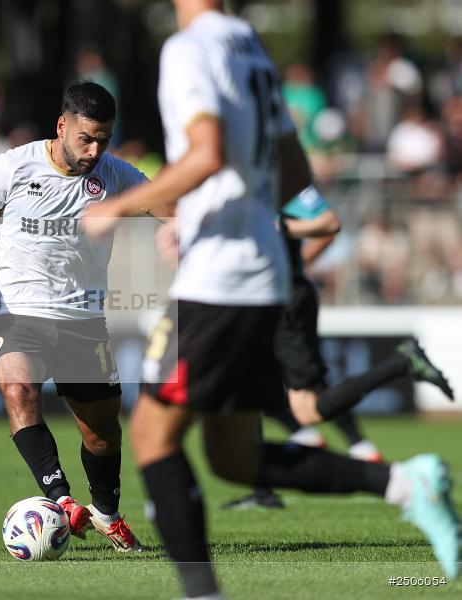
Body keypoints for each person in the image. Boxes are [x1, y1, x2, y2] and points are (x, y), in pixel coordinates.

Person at [83, 1, 460, 596]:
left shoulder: (189, 47)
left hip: (219, 279)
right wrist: (227, 215)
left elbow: (206, 154)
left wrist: (119, 207)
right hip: (261, 271)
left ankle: (203, 593)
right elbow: (293, 168)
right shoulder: (248, 45)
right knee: (235, 459)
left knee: (154, 437)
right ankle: (405, 484)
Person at [0, 82, 146, 552]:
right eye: (86, 139)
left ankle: (107, 514)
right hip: (17, 313)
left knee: (101, 435)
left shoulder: (114, 174)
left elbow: (171, 204)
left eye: (103, 140)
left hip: (83, 320)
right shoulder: (14, 166)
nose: (94, 151)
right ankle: (62, 500)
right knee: (18, 390)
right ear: (61, 126)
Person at [222, 184, 455, 510]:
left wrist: (285, 243)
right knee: (248, 382)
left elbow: (328, 224)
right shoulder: (242, 181)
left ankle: (402, 364)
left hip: (285, 299)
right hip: (261, 297)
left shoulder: (284, 180)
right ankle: (265, 488)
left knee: (307, 407)